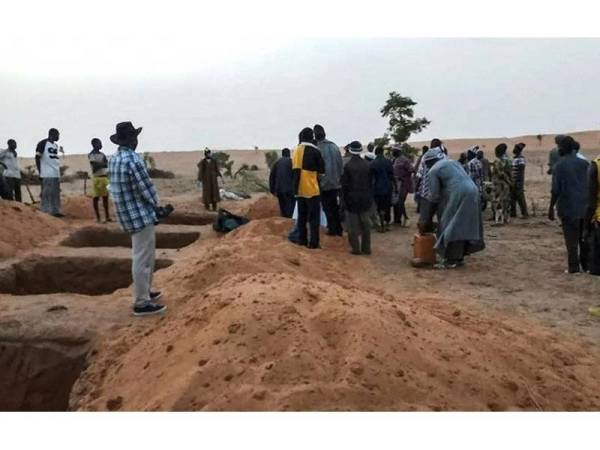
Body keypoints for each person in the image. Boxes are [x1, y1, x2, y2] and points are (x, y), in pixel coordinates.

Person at [108, 121, 166, 316]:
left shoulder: (114, 158)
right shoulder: (133, 160)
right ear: (133, 139)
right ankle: (142, 302)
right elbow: (146, 188)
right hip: (140, 214)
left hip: (127, 214)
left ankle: (146, 292)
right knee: (143, 258)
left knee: (145, 255)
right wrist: (157, 206)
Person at [419, 147, 485, 269]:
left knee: (449, 224)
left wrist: (427, 219)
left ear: (428, 162)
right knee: (464, 224)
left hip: (460, 194)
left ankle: (451, 259)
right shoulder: (453, 162)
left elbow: (434, 197)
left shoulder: (433, 170)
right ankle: (459, 257)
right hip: (473, 191)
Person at [548, 136, 589, 274]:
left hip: (568, 208)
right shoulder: (584, 164)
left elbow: (555, 190)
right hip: (585, 207)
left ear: (562, 149)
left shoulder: (559, 167)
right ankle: (587, 266)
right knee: (584, 239)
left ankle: (573, 267)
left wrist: (551, 208)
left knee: (571, 240)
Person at [292, 127, 325, 249]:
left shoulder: (295, 151)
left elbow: (294, 169)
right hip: (312, 189)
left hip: (298, 189)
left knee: (302, 217)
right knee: (314, 218)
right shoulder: (315, 151)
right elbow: (322, 170)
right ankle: (314, 243)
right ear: (312, 137)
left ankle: (302, 241)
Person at [341, 141, 373, 255]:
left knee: (352, 226)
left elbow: (344, 186)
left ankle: (356, 248)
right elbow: (370, 182)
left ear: (350, 150)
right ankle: (366, 248)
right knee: (366, 225)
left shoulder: (348, 166)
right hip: (365, 198)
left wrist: (343, 201)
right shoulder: (367, 164)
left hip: (351, 200)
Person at [314, 124, 343, 236]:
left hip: (324, 183)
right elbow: (340, 165)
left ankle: (332, 229)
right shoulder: (334, 146)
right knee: (334, 206)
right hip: (336, 182)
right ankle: (338, 229)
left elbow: (318, 168)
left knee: (327, 208)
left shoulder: (317, 149)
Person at [416, 138, 446, 224]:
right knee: (442, 219)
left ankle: (425, 234)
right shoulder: (444, 157)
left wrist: (417, 189)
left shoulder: (425, 156)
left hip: (426, 192)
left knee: (425, 219)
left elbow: (419, 174)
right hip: (441, 192)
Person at [35, 128, 64, 217]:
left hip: (55, 172)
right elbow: (37, 157)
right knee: (47, 192)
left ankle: (55, 210)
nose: (58, 137)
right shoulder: (42, 143)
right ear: (52, 134)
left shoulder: (55, 145)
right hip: (46, 172)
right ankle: (46, 211)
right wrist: (40, 172)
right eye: (57, 135)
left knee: (55, 193)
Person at [370, 146, 395, 232]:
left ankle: (381, 225)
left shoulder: (372, 163)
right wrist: (395, 187)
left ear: (375, 153)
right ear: (382, 152)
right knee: (387, 206)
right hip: (387, 187)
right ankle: (387, 224)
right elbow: (392, 176)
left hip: (377, 188)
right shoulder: (388, 162)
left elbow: (371, 178)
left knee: (379, 207)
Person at [88, 138, 111, 223]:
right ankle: (98, 218)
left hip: (104, 177)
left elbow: (106, 164)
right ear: (94, 144)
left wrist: (100, 164)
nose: (101, 145)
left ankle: (107, 217)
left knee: (105, 198)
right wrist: (102, 164)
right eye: (99, 143)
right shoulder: (91, 155)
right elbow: (95, 166)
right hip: (97, 178)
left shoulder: (101, 154)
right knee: (96, 198)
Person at [392, 145, 414, 226]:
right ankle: (397, 220)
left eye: (394, 151)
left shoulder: (404, 160)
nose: (392, 152)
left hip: (404, 184)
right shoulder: (394, 159)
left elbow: (412, 170)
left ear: (398, 151)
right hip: (396, 184)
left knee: (400, 202)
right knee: (397, 203)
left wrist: (402, 176)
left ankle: (406, 218)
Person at [269, 148, 294, 218]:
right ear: (289, 154)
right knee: (291, 207)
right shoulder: (292, 162)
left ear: (282, 154)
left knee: (283, 207)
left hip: (279, 189)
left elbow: (272, 177)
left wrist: (272, 190)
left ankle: (285, 219)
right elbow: (296, 175)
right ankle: (289, 221)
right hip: (290, 189)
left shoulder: (276, 163)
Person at [490, 143, 513, 223]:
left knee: (497, 202)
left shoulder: (497, 161)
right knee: (506, 201)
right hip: (505, 185)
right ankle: (506, 218)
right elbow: (509, 172)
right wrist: (510, 182)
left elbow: (500, 174)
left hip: (499, 185)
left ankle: (499, 220)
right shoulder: (508, 160)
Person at [510, 142, 528, 218]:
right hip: (513, 181)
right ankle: (513, 213)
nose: (513, 149)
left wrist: (518, 181)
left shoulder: (520, 159)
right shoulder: (515, 158)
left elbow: (521, 171)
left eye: (515, 148)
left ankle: (525, 214)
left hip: (518, 181)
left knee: (520, 198)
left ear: (518, 150)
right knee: (512, 197)